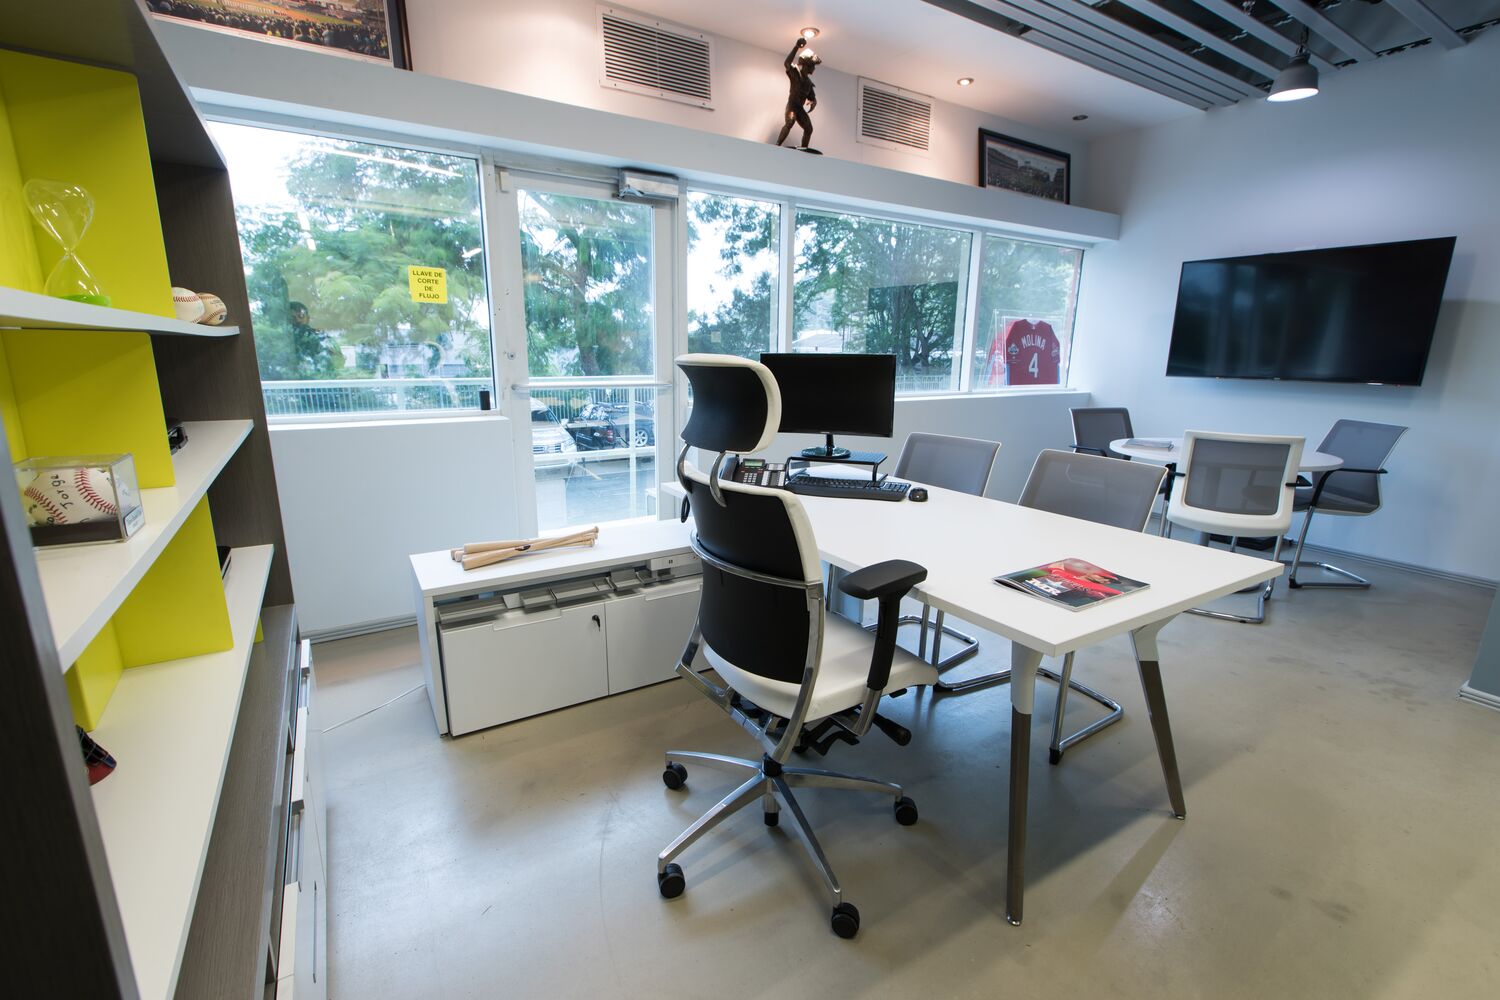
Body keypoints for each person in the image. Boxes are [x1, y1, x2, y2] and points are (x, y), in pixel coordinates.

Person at [775, 37, 821, 151]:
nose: (814, 68)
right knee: (790, 122)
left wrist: (813, 102)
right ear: (807, 65)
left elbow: (812, 97)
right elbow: (787, 63)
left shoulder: (808, 83)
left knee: (809, 129)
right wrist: (796, 47)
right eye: (813, 65)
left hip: (799, 109)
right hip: (792, 106)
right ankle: (777, 145)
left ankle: (804, 151)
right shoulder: (795, 73)